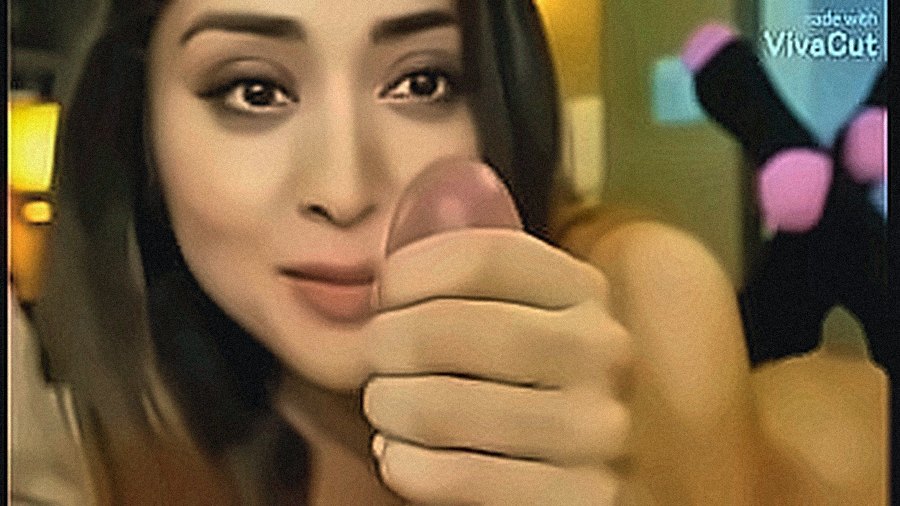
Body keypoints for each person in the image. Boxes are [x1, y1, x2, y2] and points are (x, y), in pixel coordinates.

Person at [25, 0, 879, 504]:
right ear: (138, 128)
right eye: (255, 90)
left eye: (422, 82)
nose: (345, 188)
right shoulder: (105, 421)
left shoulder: (637, 297)